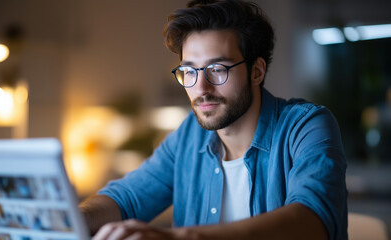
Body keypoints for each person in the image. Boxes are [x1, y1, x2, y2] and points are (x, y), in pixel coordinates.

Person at [79, 0, 348, 239]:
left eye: (217, 69)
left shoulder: (306, 127)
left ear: (256, 71)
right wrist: (72, 218)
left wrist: (181, 236)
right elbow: (126, 199)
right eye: (189, 70)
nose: (201, 88)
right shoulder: (189, 136)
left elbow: (312, 221)